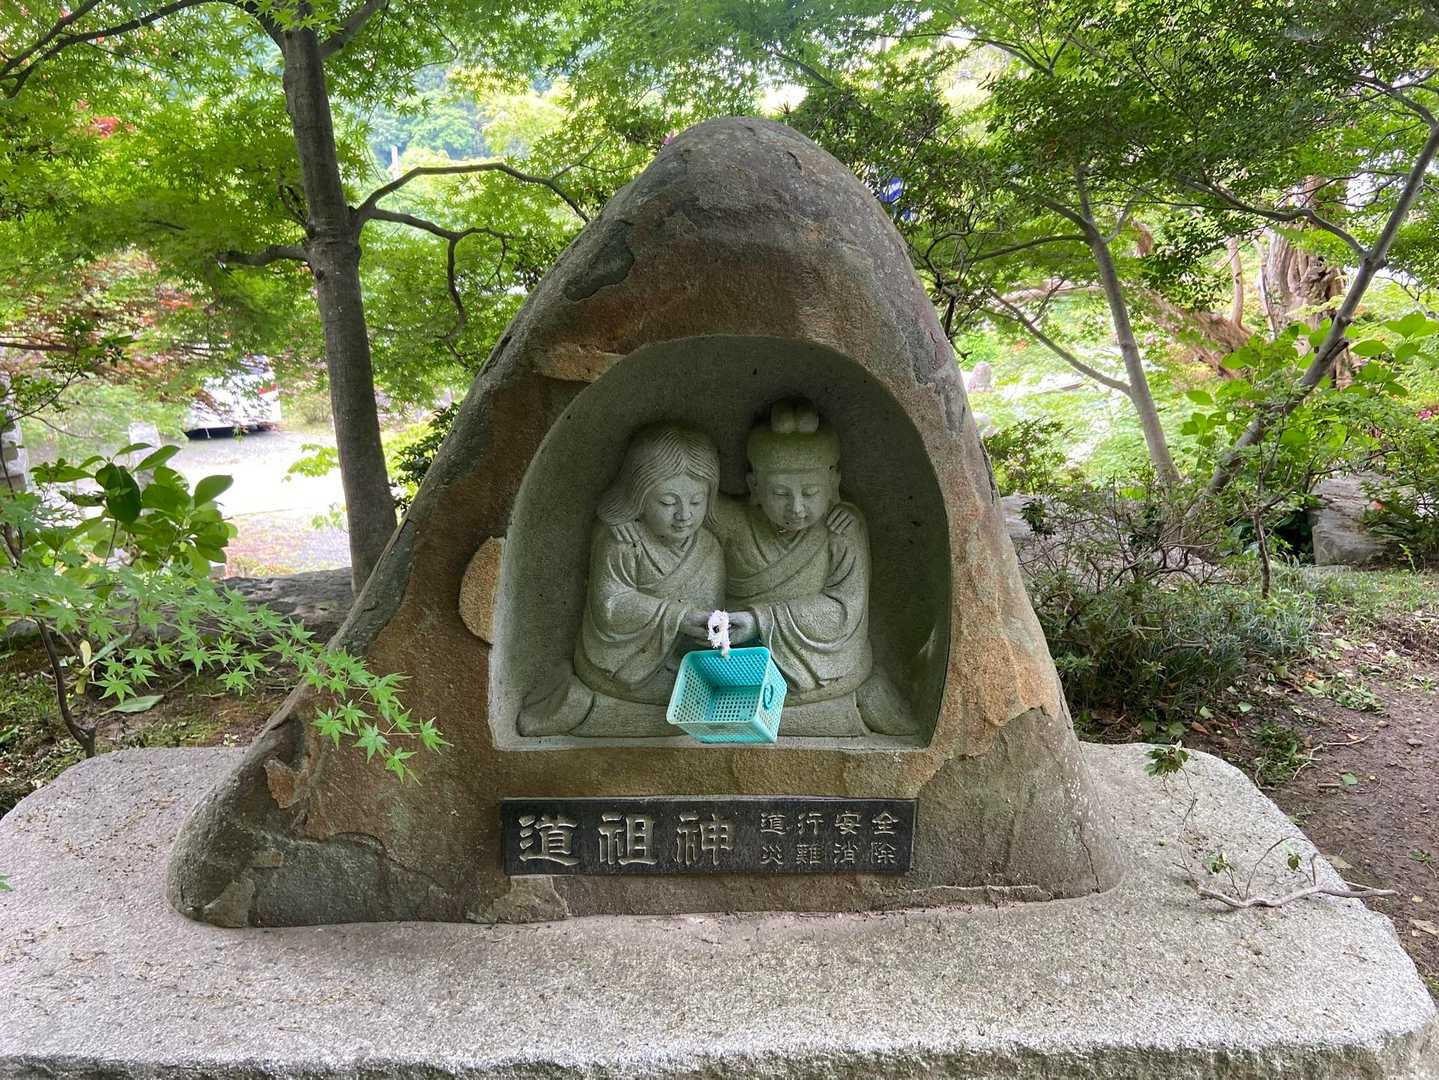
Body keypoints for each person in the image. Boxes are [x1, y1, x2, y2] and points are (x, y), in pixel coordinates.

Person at [716, 399, 915, 737]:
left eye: (810, 492)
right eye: (781, 493)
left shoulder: (841, 530)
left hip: (818, 661)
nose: (796, 508)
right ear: (754, 487)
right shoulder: (737, 522)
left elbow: (844, 611)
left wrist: (759, 620)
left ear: (834, 483)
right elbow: (693, 496)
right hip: (742, 654)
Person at [518, 425, 724, 736]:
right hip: (621, 663)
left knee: (718, 690)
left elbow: (710, 609)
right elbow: (610, 606)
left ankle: (590, 710)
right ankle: (582, 706)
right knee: (703, 701)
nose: (684, 515)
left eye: (696, 502)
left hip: (679, 659)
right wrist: (678, 616)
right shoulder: (622, 541)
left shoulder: (708, 546)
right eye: (668, 502)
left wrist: (707, 630)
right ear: (638, 497)